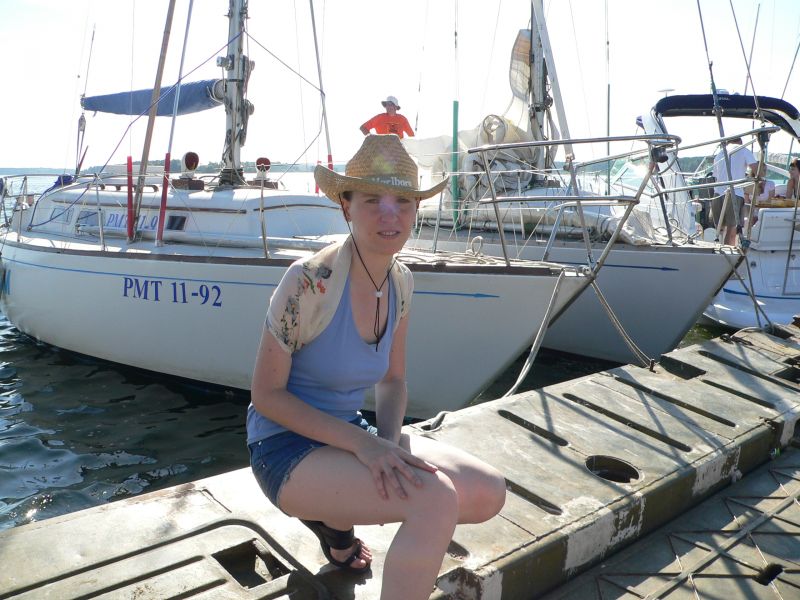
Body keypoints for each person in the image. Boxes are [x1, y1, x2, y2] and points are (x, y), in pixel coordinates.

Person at [247, 134, 505, 600]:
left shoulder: (401, 281)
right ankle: (334, 519)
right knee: (434, 500)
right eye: (373, 200)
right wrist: (366, 449)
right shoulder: (308, 282)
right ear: (346, 206)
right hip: (284, 447)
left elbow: (393, 380)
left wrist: (385, 447)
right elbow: (266, 396)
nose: (391, 215)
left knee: (488, 491)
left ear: (415, 209)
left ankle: (336, 522)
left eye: (403, 201)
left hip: (351, 434)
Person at [710, 137, 758, 245]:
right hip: (734, 193)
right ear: (740, 142)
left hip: (718, 193)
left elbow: (716, 176)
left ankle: (719, 249)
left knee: (720, 229)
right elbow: (757, 171)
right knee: (732, 230)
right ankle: (728, 251)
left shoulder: (720, 154)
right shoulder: (744, 150)